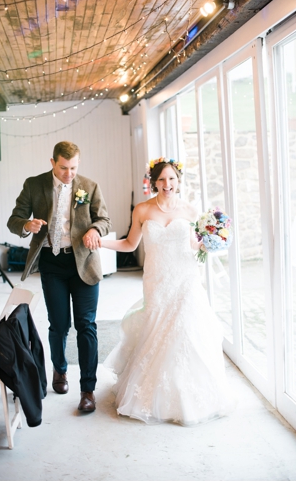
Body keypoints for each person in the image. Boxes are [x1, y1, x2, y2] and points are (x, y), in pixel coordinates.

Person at [100, 159, 236, 425]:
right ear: (154, 182)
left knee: (186, 334)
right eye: (161, 180)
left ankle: (188, 395)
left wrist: (209, 244)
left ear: (178, 180)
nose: (167, 184)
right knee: (157, 332)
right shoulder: (142, 209)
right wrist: (101, 244)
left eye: (171, 179)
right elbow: (130, 244)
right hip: (156, 281)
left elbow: (195, 245)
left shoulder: (190, 210)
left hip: (185, 279)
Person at [7, 141, 111, 412]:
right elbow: (14, 219)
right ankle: (60, 370)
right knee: (59, 325)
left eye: (74, 167)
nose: (69, 173)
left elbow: (104, 220)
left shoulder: (89, 186)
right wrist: (27, 225)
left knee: (86, 325)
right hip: (52, 263)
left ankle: (88, 389)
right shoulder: (34, 184)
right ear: (52, 162)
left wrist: (95, 231)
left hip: (84, 262)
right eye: (64, 167)